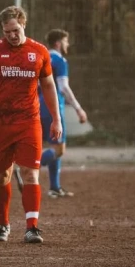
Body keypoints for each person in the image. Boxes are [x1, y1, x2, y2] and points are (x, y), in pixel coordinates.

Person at [0, 6, 63, 244]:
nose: (11, 35)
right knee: (2, 176)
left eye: (15, 30)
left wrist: (56, 119)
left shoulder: (39, 51)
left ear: (24, 24)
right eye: (6, 31)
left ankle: (32, 227)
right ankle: (3, 224)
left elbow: (49, 86)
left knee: (30, 173)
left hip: (28, 121)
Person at [35, 29, 87, 198]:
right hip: (54, 108)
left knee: (53, 146)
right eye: (66, 41)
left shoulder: (40, 58)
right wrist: (79, 108)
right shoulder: (60, 60)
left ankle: (55, 187)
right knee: (59, 150)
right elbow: (63, 87)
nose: (67, 45)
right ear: (58, 43)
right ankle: (28, 166)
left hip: (38, 107)